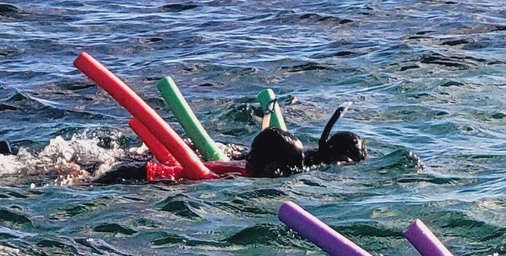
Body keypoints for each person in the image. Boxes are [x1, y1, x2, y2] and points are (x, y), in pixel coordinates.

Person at [94, 107, 367, 184]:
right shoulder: (240, 175)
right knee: (85, 180)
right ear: (272, 167)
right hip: (143, 176)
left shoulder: (246, 166)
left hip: (150, 171)